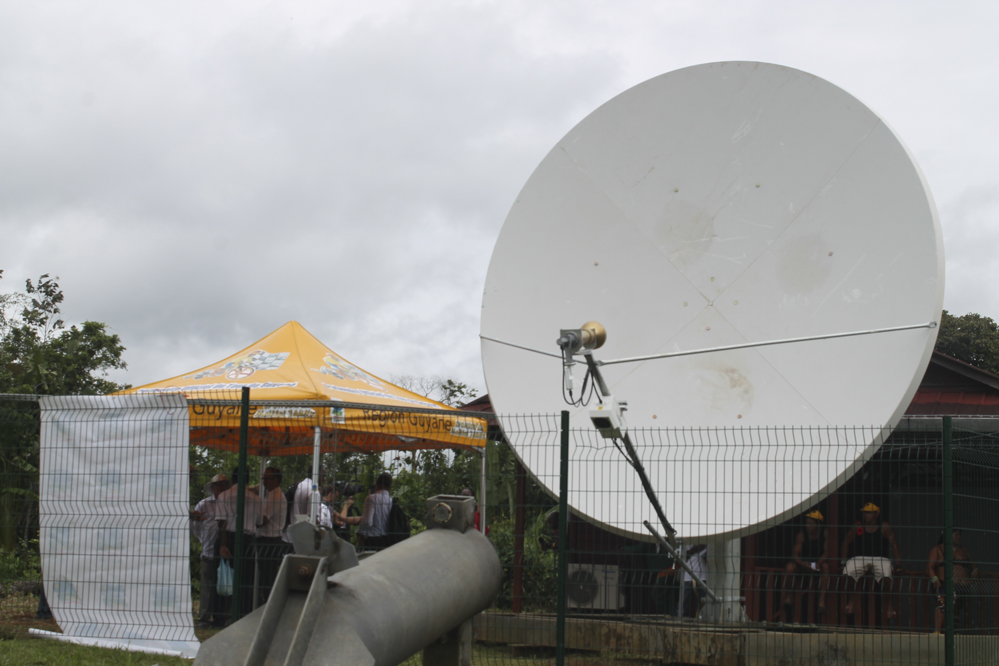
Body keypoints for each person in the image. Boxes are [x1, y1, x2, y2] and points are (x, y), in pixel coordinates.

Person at [216, 466, 263, 620]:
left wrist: (223, 545)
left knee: (224, 576)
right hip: (248, 540)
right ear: (248, 479)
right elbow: (259, 522)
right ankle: (243, 616)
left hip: (228, 537)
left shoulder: (224, 496)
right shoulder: (256, 499)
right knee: (246, 580)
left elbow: (222, 522)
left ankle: (221, 616)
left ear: (232, 479)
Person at [839, 502, 902, 619]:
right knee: (848, 572)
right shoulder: (858, 526)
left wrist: (898, 565)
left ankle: (889, 604)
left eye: (869, 512)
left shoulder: (884, 526)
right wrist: (843, 562)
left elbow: (894, 544)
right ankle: (851, 600)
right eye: (865, 513)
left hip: (880, 558)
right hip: (859, 557)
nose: (866, 515)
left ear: (876, 514)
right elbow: (845, 543)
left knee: (887, 575)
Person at [190, 473, 230, 628]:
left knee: (225, 583)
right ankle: (204, 617)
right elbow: (195, 526)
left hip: (225, 551)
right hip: (209, 549)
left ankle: (223, 617)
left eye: (224, 484)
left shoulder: (230, 503)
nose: (221, 488)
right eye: (218, 485)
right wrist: (202, 539)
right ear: (213, 487)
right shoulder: (204, 504)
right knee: (207, 585)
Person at [782, 509, 832, 621]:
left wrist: (819, 563)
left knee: (826, 567)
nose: (807, 526)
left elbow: (826, 552)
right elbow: (795, 553)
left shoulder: (824, 533)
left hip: (817, 561)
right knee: (789, 568)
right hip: (802, 561)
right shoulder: (802, 534)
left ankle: (821, 601)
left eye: (811, 524)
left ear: (818, 525)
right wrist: (801, 563)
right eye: (806, 523)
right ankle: (788, 597)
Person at [927, 529, 978, 632]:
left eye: (959, 535)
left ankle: (952, 632)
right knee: (942, 605)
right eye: (956, 535)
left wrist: (973, 576)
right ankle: (937, 632)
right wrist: (935, 580)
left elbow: (974, 567)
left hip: (962, 587)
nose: (958, 537)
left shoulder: (963, 549)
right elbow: (929, 567)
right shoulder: (938, 549)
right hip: (943, 585)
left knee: (955, 609)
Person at [255, 467, 287, 605]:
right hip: (267, 540)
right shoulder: (270, 495)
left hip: (270, 541)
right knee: (265, 576)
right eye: (264, 479)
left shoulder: (276, 497)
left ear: (277, 480)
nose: (264, 482)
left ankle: (269, 605)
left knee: (268, 577)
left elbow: (262, 520)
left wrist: (249, 518)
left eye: (268, 479)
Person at [345, 472, 392, 551]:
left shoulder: (371, 498)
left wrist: (359, 531)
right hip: (386, 540)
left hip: (373, 540)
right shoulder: (391, 501)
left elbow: (367, 522)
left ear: (377, 484)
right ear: (390, 487)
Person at [680, 544, 708, 618]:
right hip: (687, 577)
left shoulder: (704, 543)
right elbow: (679, 554)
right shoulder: (683, 542)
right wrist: (692, 550)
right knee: (684, 605)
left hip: (702, 577)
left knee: (701, 604)